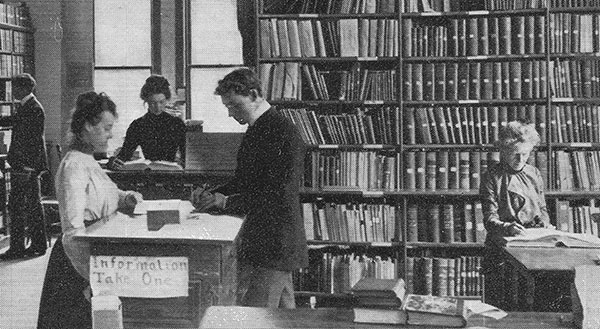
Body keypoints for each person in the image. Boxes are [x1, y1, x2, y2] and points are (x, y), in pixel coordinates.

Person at [191, 68, 308, 308]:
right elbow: (245, 180)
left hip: (274, 242)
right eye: (227, 108)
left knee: (257, 316)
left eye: (234, 106)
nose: (230, 114)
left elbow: (277, 194)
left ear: (254, 95)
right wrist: (213, 192)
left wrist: (225, 202)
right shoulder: (259, 128)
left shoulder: (280, 131)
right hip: (270, 242)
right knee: (284, 319)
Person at [37, 91, 142, 328]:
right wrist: (93, 279)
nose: (111, 134)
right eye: (106, 128)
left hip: (91, 258)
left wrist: (127, 198)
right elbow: (72, 231)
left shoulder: (88, 160)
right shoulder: (74, 165)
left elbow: (107, 193)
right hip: (76, 263)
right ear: (87, 126)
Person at [480, 120, 550, 309]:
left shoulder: (534, 173)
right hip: (502, 249)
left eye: (525, 154)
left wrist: (545, 224)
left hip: (533, 248)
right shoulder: (492, 177)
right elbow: (489, 218)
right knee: (502, 307)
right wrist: (507, 227)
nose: (520, 160)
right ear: (503, 152)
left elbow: (542, 209)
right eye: (514, 154)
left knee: (533, 303)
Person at [0, 73, 48, 260]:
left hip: (26, 167)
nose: (13, 91)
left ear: (25, 88)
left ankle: (23, 248)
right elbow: (13, 121)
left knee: (21, 206)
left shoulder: (33, 108)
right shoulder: (27, 107)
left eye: (15, 88)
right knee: (25, 206)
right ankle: (33, 246)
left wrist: (28, 168)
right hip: (25, 165)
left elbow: (33, 141)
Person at [108, 75, 186, 169]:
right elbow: (124, 155)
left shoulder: (177, 124)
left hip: (172, 173)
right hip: (148, 173)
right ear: (146, 101)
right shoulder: (137, 125)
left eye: (161, 102)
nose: (157, 107)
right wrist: (113, 162)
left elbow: (187, 156)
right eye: (153, 103)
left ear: (167, 100)